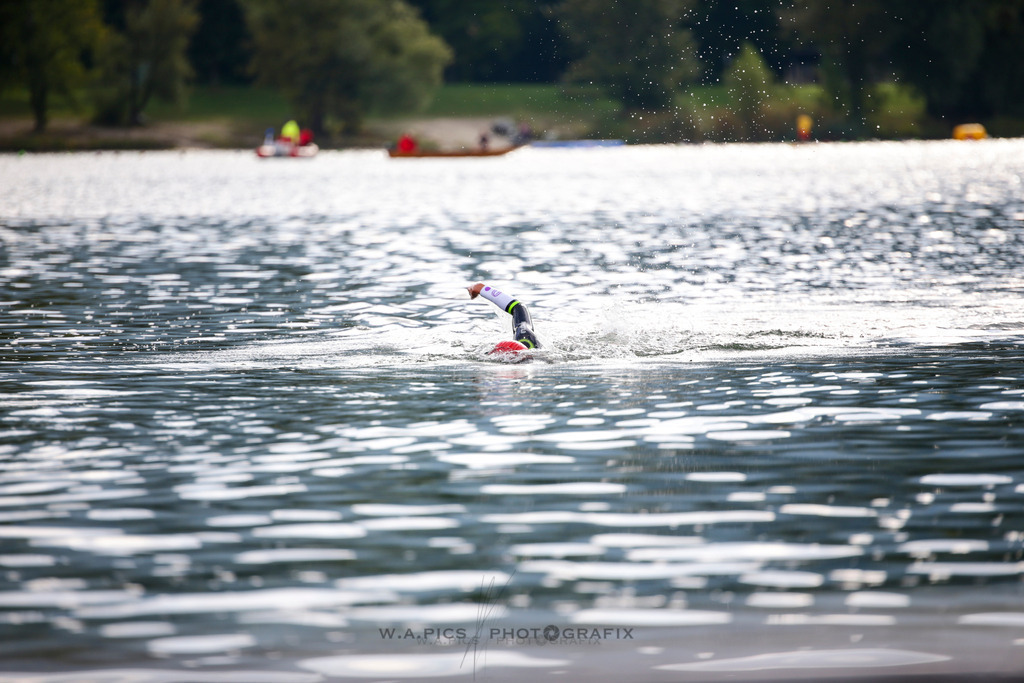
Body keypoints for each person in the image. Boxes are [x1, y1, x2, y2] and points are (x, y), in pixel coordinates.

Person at [467, 282, 540, 358]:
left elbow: (518, 307)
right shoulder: (526, 339)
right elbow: (518, 307)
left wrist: (480, 288)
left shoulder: (525, 339)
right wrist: (482, 289)